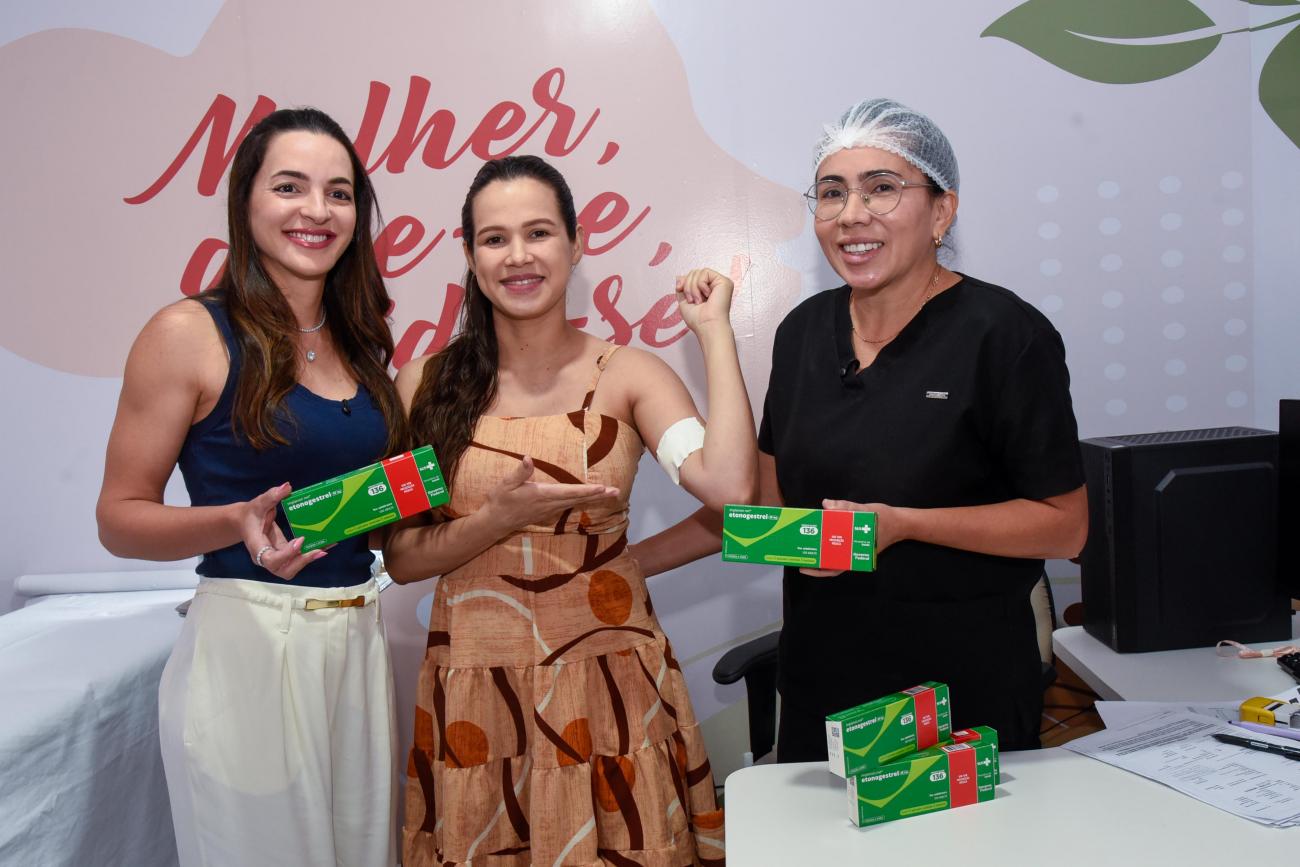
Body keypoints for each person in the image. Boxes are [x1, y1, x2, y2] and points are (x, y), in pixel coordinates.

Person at [385, 154, 750, 866]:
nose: (518, 255)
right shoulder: (423, 384)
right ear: (469, 256)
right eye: (495, 238)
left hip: (611, 688)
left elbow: (732, 490)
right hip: (477, 696)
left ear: (576, 245)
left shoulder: (630, 375)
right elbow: (400, 559)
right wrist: (496, 519)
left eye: (539, 233)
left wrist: (713, 333)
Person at [96, 108, 405, 866]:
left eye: (338, 193)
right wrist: (235, 519)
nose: (316, 210)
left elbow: (369, 511)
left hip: (357, 641)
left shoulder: (361, 341)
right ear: (246, 202)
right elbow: (119, 518)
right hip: (249, 648)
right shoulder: (187, 333)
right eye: (289, 186)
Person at [758, 98, 1088, 760]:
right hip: (824, 681)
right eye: (832, 193)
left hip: (958, 695)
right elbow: (772, 504)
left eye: (881, 188)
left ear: (942, 211)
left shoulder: (1003, 334)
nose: (852, 214)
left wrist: (904, 525)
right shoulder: (802, 333)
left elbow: (1065, 527)